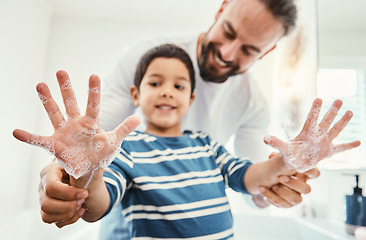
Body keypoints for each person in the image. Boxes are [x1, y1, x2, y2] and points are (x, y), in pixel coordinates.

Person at [13, 44, 360, 239]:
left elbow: (249, 177)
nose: (167, 90)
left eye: (179, 85)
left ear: (191, 99)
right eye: (155, 83)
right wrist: (89, 173)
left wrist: (287, 163)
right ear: (136, 93)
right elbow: (96, 207)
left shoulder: (207, 144)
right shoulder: (126, 149)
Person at [37, 0, 318, 236]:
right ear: (221, 9)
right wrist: (68, 169)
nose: (228, 53)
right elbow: (92, 144)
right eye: (229, 32)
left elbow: (251, 179)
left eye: (249, 50)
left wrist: (281, 173)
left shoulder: (238, 118)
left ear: (266, 52)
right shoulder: (147, 60)